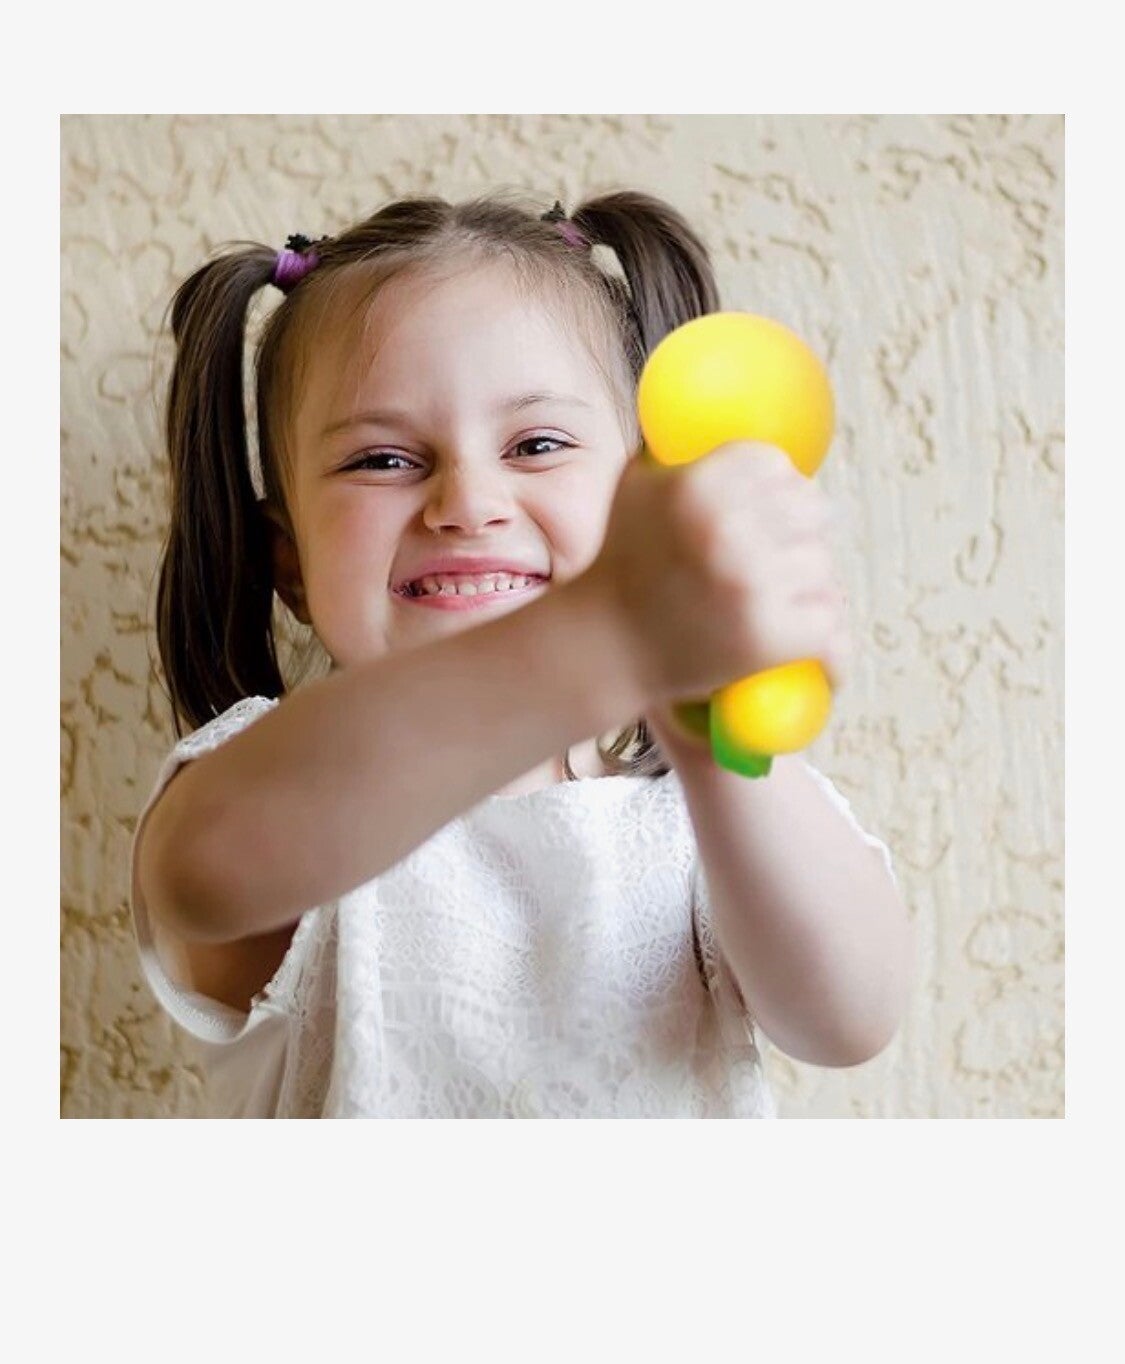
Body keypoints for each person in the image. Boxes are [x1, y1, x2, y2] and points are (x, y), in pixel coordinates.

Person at [130, 189, 912, 1118]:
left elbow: (849, 1020)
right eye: (382, 460)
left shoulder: (703, 807)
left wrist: (710, 734)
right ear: (290, 564)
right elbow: (203, 873)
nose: (468, 503)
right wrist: (606, 638)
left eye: (536, 444)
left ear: (645, 492)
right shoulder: (264, 783)